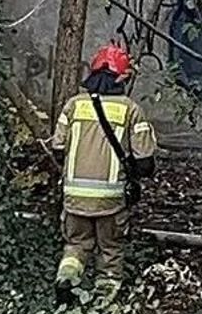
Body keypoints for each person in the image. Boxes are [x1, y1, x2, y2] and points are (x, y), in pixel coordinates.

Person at [51, 44, 157, 300]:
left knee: (76, 245)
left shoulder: (73, 106)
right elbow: (145, 163)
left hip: (74, 196)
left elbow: (57, 149)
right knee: (110, 248)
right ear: (122, 77)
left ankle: (66, 278)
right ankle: (104, 301)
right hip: (110, 200)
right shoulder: (130, 110)